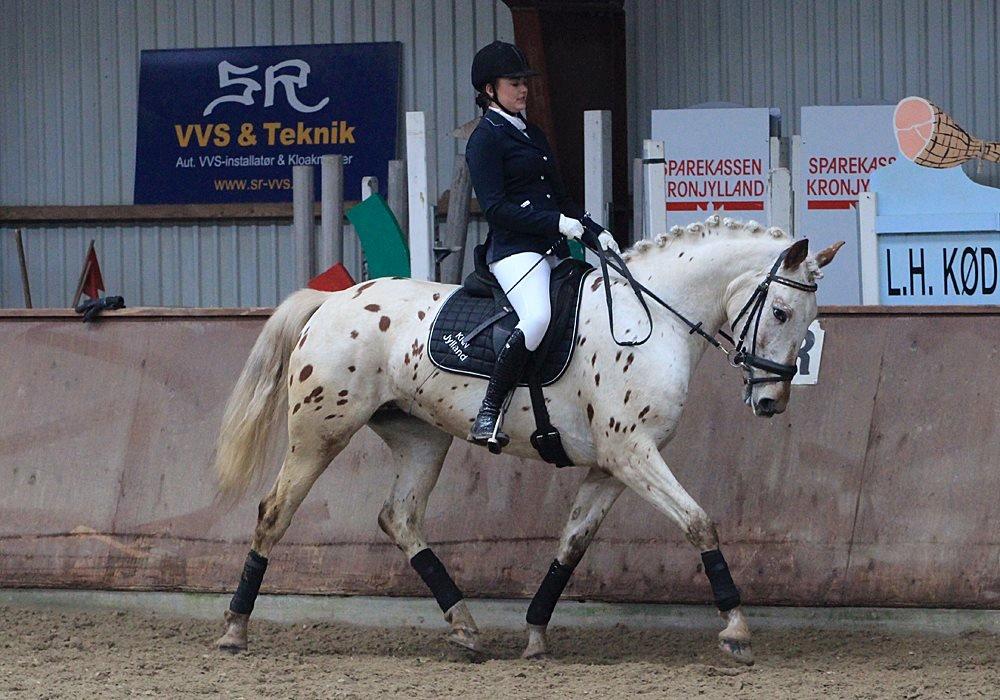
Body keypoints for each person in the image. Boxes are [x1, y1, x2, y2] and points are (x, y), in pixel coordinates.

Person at [464, 40, 617, 451]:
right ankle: (489, 410)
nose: (523, 89)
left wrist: (591, 229)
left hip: (552, 250)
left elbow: (561, 198)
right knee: (536, 317)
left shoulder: (532, 133)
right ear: (490, 90)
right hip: (515, 252)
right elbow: (496, 209)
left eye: (524, 82)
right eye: (514, 83)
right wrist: (555, 222)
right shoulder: (485, 139)